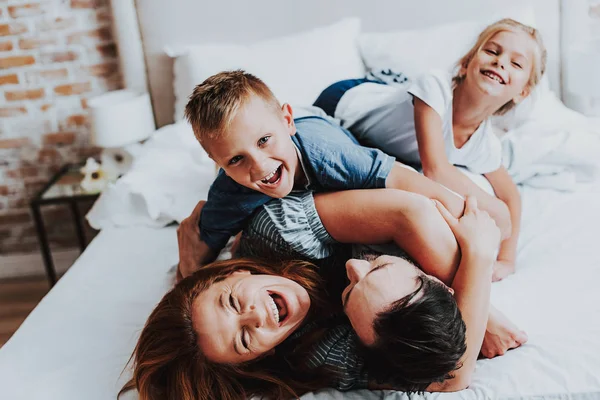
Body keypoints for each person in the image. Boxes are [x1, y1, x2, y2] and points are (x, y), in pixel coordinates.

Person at [122, 191, 504, 400]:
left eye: (234, 302)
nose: (255, 315)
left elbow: (407, 212)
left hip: (369, 179)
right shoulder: (315, 355)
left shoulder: (276, 233)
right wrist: (479, 260)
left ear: (239, 271)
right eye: (243, 338)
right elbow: (449, 376)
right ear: (260, 356)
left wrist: (470, 303)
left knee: (490, 211)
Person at [313, 19, 547, 281]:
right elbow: (435, 170)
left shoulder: (484, 143)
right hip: (346, 100)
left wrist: (506, 259)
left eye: (516, 63)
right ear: (466, 63)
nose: (501, 62)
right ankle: (388, 79)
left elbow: (510, 195)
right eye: (492, 51)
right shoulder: (435, 87)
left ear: (522, 92)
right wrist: (498, 214)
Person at [179, 70, 468, 279]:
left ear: (287, 122)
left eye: (264, 141)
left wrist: (467, 229)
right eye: (236, 159)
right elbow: (197, 254)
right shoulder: (227, 194)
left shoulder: (329, 154)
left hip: (334, 108)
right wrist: (189, 271)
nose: (259, 166)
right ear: (218, 162)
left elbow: (406, 180)